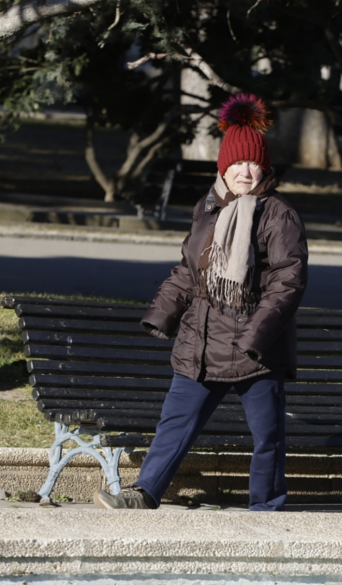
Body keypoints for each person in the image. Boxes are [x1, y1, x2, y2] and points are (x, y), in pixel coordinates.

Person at [94, 93, 308, 511]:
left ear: (264, 167)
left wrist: (257, 334)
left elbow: (289, 280)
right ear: (223, 167)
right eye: (237, 163)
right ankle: (145, 492)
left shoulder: (278, 213)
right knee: (174, 424)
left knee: (268, 436)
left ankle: (266, 509)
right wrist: (162, 313)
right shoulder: (207, 208)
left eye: (253, 164)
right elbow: (189, 270)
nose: (246, 172)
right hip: (202, 338)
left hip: (255, 347)